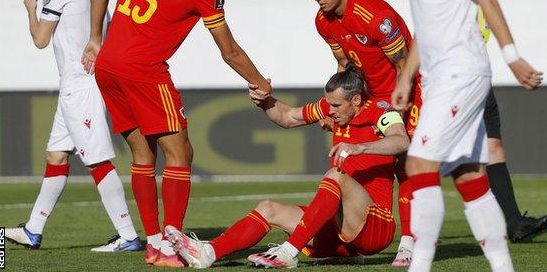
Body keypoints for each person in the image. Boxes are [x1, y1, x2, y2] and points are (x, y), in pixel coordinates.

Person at [81, 0, 271, 267]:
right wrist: (260, 81)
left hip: (108, 65)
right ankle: (172, 244)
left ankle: (155, 244)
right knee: (180, 153)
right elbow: (229, 52)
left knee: (142, 154)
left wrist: (95, 40)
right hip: (144, 71)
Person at [393, 0, 544, 271]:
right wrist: (406, 76)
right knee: (469, 176)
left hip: (459, 70)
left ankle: (420, 265)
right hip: (439, 77)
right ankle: (503, 267)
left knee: (417, 164)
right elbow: (427, 26)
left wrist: (512, 56)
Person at [163, 66, 410, 269]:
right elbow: (288, 117)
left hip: (375, 226)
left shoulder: (382, 112)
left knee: (336, 175)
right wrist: (265, 101)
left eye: (336, 106)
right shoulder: (330, 108)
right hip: (339, 230)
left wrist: (360, 148)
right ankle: (208, 252)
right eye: (329, 105)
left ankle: (289, 252)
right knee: (268, 208)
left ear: (356, 100)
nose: (330, 111)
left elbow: (401, 140)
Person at [4, 0, 142, 253]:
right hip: (82, 81)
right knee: (56, 155)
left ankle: (128, 236)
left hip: (80, 84)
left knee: (97, 161)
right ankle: (33, 229)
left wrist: (31, 9)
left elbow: (40, 39)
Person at [304, 0, 422, 266]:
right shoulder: (323, 22)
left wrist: (401, 105)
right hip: (367, 97)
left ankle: (409, 243)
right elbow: (343, 65)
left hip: (406, 89)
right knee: (369, 161)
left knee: (405, 163)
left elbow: (403, 65)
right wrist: (336, 108)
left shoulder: (375, 17)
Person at [468, 0, 547, 243]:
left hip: (479, 78)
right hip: (455, 81)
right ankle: (413, 234)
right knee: (435, 158)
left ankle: (513, 222)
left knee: (494, 148)